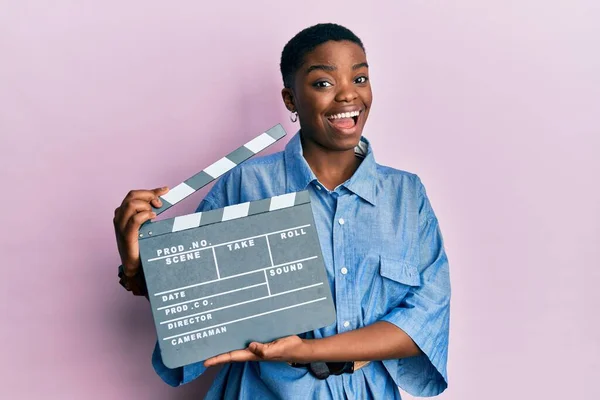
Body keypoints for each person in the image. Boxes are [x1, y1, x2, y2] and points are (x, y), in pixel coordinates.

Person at [113, 23, 451, 399]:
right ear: (290, 99)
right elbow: (195, 306)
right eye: (323, 83)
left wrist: (308, 350)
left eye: (360, 78)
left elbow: (424, 317)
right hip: (265, 390)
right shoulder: (246, 185)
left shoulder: (406, 195)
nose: (347, 95)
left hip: (367, 390)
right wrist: (135, 267)